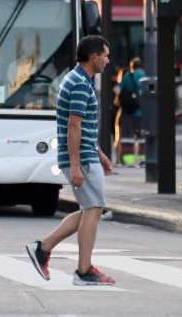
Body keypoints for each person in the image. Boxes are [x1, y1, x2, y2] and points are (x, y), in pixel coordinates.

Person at [26, 35, 115, 286]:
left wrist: (99, 152)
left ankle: (43, 248)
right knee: (94, 208)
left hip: (86, 155)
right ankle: (83, 271)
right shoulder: (79, 83)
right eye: (105, 55)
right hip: (81, 159)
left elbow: (82, 126)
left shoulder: (78, 80)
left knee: (90, 209)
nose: (108, 60)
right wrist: (75, 165)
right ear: (94, 56)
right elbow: (73, 126)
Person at [115, 57, 145, 166]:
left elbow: (117, 90)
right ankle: (143, 159)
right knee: (142, 135)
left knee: (127, 135)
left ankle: (129, 160)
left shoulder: (128, 77)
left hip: (128, 111)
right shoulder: (145, 76)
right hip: (141, 111)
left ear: (132, 67)